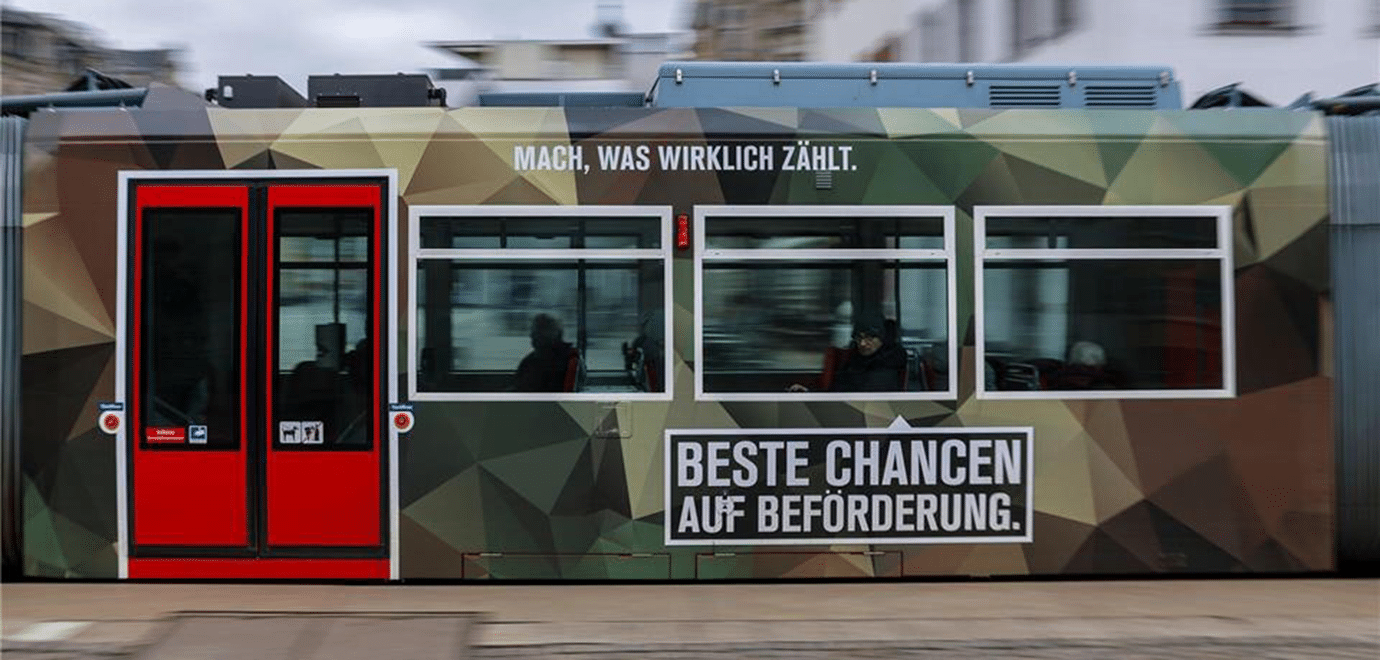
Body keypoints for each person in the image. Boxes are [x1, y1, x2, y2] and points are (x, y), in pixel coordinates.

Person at [790, 320, 907, 392]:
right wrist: (809, 394)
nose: (862, 343)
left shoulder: (889, 363)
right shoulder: (855, 361)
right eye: (859, 337)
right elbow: (837, 393)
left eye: (869, 338)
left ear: (883, 340)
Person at [514, 313, 576, 392]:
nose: (532, 335)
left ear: (555, 333)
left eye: (539, 330)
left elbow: (525, 390)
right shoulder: (568, 355)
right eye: (534, 330)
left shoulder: (544, 362)